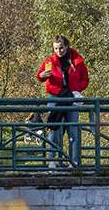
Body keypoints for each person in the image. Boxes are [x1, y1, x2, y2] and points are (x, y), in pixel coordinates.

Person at [36, 35, 89, 166]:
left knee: (73, 130)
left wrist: (76, 91)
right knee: (54, 129)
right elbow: (40, 76)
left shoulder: (78, 61)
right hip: (55, 97)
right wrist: (42, 76)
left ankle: (74, 162)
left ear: (67, 47)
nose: (59, 51)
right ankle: (52, 161)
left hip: (72, 98)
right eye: (56, 48)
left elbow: (85, 80)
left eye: (61, 48)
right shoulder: (49, 61)